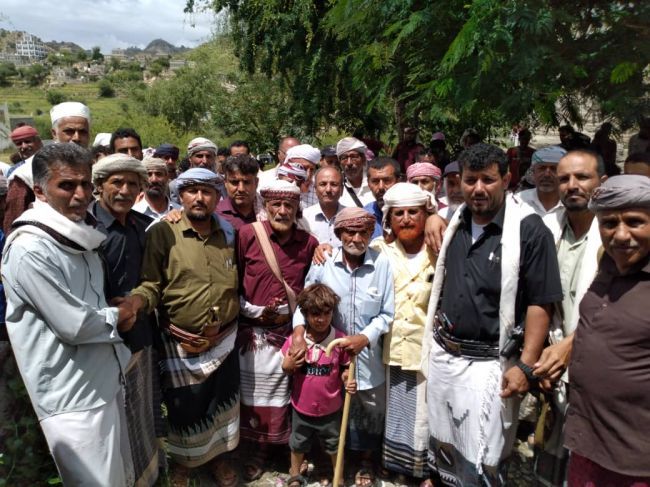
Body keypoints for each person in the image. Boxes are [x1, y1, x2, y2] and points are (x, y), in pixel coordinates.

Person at [421, 142, 562, 485]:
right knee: (443, 444)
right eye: (470, 180)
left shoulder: (529, 231)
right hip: (445, 356)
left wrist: (525, 368)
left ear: (507, 179)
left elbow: (540, 304)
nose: (478, 189)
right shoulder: (453, 221)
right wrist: (433, 218)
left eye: (488, 179)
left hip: (490, 366)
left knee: (485, 455)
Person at [1, 143, 135, 486]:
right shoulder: (30, 248)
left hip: (103, 379)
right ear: (39, 191)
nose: (80, 194)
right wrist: (122, 313)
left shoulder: (76, 234)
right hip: (71, 397)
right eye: (66, 185)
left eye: (86, 184)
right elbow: (74, 324)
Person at [125, 168, 240, 486]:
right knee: (184, 408)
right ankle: (184, 464)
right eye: (192, 191)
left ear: (218, 196)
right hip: (180, 341)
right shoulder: (161, 231)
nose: (200, 197)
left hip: (225, 339)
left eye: (207, 191)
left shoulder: (229, 231)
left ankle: (218, 460)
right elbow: (150, 283)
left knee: (221, 404)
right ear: (181, 196)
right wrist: (136, 303)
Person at [291, 207, 394, 480]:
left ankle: (364, 462)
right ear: (339, 233)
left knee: (369, 410)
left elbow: (386, 314)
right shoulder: (324, 261)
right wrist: (299, 335)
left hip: (366, 355)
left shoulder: (381, 264)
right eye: (350, 231)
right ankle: (330, 462)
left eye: (363, 232)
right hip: (327, 356)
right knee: (328, 412)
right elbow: (304, 303)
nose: (356, 238)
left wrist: (364, 338)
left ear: (371, 233)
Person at [564, 175, 650, 485]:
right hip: (587, 446)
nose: (621, 235)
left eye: (635, 222)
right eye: (609, 223)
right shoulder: (607, 262)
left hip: (635, 462)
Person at [530, 150, 606, 487]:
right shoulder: (547, 230)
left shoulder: (615, 235)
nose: (572, 185)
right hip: (554, 362)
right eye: (564, 179)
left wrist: (568, 348)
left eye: (582, 177)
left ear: (601, 183)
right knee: (554, 454)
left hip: (599, 363)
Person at [236, 179, 319, 481]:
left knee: (290, 395)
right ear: (265, 206)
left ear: (298, 208)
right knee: (256, 396)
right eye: (276, 205)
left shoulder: (308, 243)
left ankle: (289, 448)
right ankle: (259, 449)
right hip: (254, 336)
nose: (282, 211)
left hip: (290, 333)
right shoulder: (247, 235)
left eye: (289, 205)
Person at [88, 153, 162, 486]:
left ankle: (146, 476)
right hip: (98, 340)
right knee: (106, 423)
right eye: (116, 182)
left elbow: (155, 279)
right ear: (99, 185)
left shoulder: (142, 227)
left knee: (141, 410)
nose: (125, 190)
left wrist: (136, 303)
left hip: (139, 335)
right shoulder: (84, 228)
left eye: (133, 183)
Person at [369, 183, 436, 483]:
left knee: (425, 413)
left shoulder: (440, 249)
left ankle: (425, 469)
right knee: (396, 408)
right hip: (392, 347)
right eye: (399, 214)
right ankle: (397, 465)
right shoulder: (378, 251)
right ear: (388, 219)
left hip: (428, 349)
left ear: (426, 215)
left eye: (414, 212)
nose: (407, 219)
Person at [281, 284, 355, 486]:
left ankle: (338, 478)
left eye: (326, 313)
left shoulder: (339, 340)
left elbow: (345, 368)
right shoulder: (297, 342)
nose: (321, 319)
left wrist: (347, 378)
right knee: (297, 445)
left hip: (331, 409)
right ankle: (295, 476)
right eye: (315, 314)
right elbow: (287, 367)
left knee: (334, 445)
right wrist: (287, 365)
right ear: (304, 313)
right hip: (301, 408)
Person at [4, 101, 91, 234]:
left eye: (82, 132)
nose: (76, 137)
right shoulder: (26, 173)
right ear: (54, 134)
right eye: (69, 131)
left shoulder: (91, 168)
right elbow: (13, 225)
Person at [519, 146, 567, 241]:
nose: (547, 174)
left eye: (554, 169)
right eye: (542, 168)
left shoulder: (572, 204)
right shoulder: (517, 201)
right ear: (533, 172)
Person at [303, 166, 346, 246]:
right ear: (315, 189)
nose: (328, 189)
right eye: (323, 184)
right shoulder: (304, 218)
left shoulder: (351, 217)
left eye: (334, 184)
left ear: (342, 190)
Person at [216, 154, 261, 231]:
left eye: (246, 182)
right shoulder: (215, 215)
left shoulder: (267, 211)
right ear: (225, 183)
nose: (241, 189)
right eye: (235, 182)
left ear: (256, 183)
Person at [364, 157, 400, 239]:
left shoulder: (413, 212)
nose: (381, 187)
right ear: (368, 184)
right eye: (375, 181)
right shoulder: (364, 216)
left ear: (398, 181)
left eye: (387, 180)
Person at [337, 137, 375, 208]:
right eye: (344, 158)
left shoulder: (375, 184)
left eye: (353, 157)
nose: (349, 163)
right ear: (340, 163)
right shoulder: (336, 187)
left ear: (363, 159)